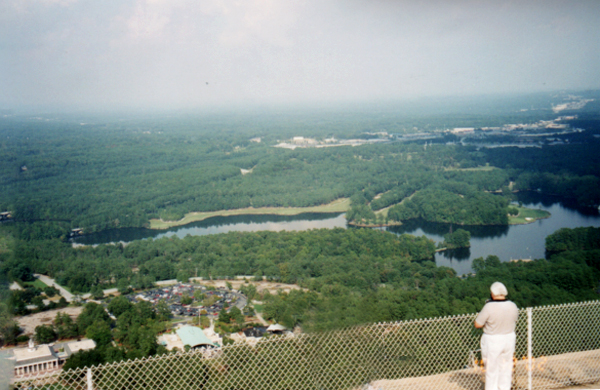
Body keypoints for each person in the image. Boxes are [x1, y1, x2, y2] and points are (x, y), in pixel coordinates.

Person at [474, 282, 519, 390]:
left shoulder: (489, 307)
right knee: (506, 368)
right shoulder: (513, 305)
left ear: (493, 293)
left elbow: (477, 324)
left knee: (491, 370)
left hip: (493, 340)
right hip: (509, 338)